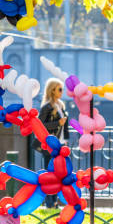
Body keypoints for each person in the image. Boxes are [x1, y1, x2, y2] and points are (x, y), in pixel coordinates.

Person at [38, 77, 70, 208]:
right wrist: (58, 122)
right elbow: (41, 126)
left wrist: (66, 141)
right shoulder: (47, 107)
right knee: (49, 174)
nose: (62, 92)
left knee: (59, 174)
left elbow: (64, 127)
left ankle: (54, 201)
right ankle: (49, 202)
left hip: (60, 145)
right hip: (51, 145)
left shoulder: (60, 105)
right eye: (60, 89)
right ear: (52, 91)